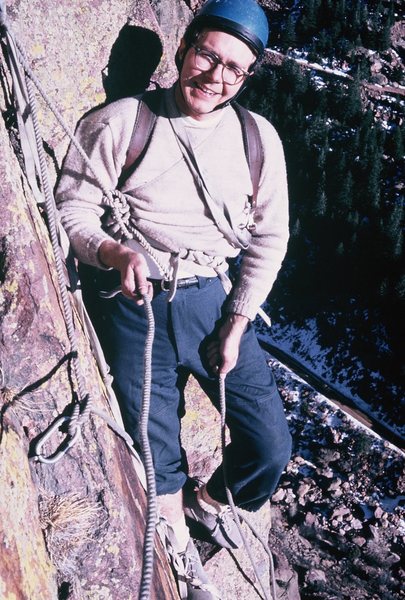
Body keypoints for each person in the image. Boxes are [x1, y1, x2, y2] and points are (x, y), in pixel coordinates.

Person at [56, 0, 292, 597]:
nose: (215, 79)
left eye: (234, 69)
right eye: (208, 56)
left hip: (210, 296)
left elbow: (269, 237)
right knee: (155, 442)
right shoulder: (123, 123)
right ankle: (177, 551)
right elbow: (73, 208)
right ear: (184, 47)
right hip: (134, 296)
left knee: (269, 445)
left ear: (247, 77)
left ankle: (208, 503)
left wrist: (237, 321)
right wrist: (113, 252)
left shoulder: (256, 139)